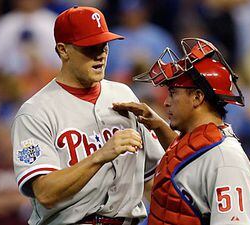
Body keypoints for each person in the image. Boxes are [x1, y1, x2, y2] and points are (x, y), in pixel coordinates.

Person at [11, 6, 164, 225]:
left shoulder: (123, 94)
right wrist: (100, 155)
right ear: (63, 50)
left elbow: (152, 179)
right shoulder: (35, 112)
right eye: (89, 47)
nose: (100, 54)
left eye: (104, 45)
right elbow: (45, 194)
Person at [113, 38, 250, 225]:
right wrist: (159, 126)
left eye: (173, 93)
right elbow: (189, 160)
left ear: (197, 97)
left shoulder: (226, 159)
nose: (166, 102)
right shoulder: (194, 143)